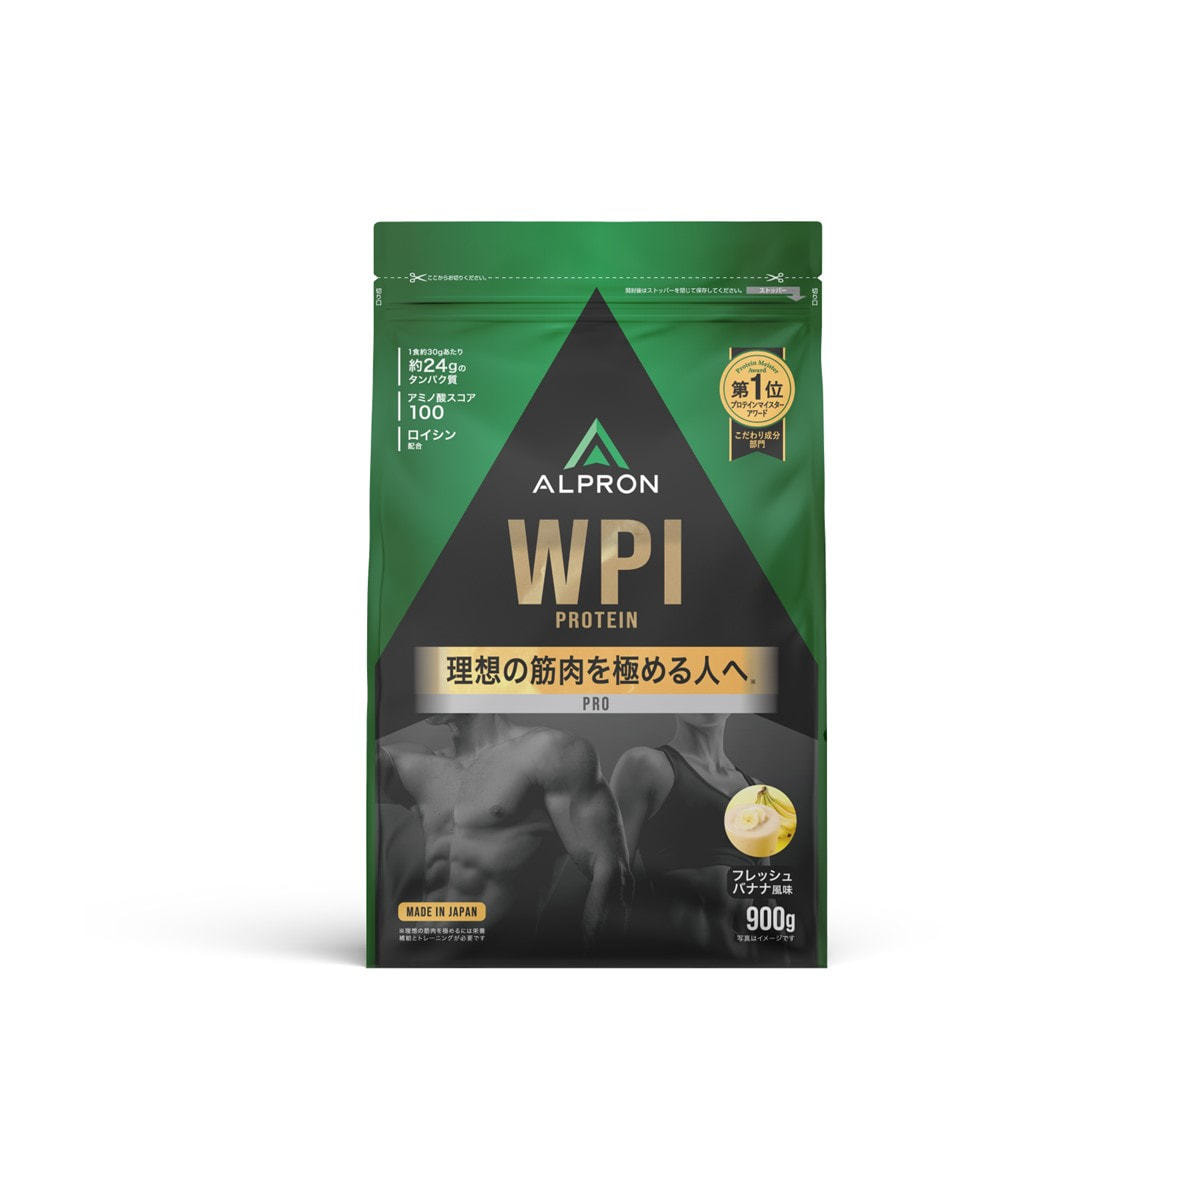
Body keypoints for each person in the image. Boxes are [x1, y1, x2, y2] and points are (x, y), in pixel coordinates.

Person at [377, 714, 631, 951]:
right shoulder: (413, 763)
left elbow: (610, 871)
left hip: (495, 960)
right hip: (416, 958)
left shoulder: (548, 751)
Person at [611, 713, 762, 959]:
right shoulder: (646, 766)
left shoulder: (758, 793)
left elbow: (768, 904)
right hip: (675, 958)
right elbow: (612, 885)